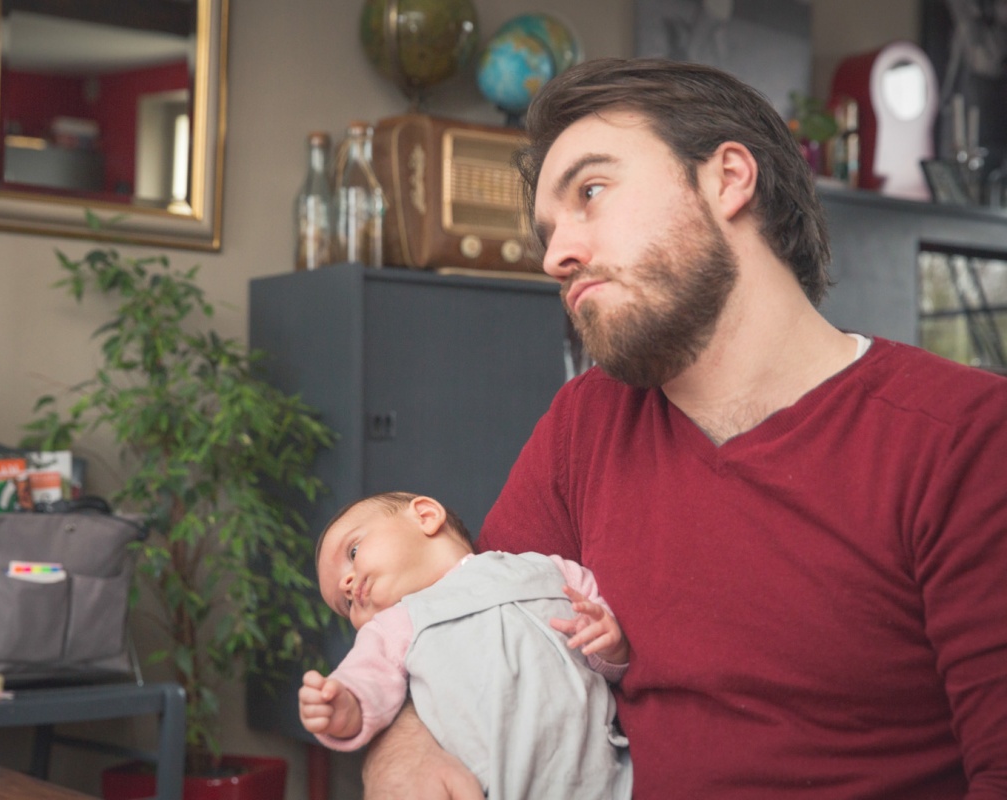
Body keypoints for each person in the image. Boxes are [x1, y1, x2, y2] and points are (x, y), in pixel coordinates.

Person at [363, 57, 1007, 799]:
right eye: (547, 229)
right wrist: (405, 746)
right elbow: (470, 623)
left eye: (592, 192)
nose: (554, 256)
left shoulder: (962, 437)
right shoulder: (587, 423)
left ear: (729, 178)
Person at [302, 492, 632, 799]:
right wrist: (347, 705)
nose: (346, 585)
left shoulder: (547, 569)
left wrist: (609, 646)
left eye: (353, 551)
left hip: (599, 774)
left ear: (426, 516)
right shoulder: (395, 625)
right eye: (344, 606)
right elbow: (367, 676)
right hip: (492, 784)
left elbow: (608, 653)